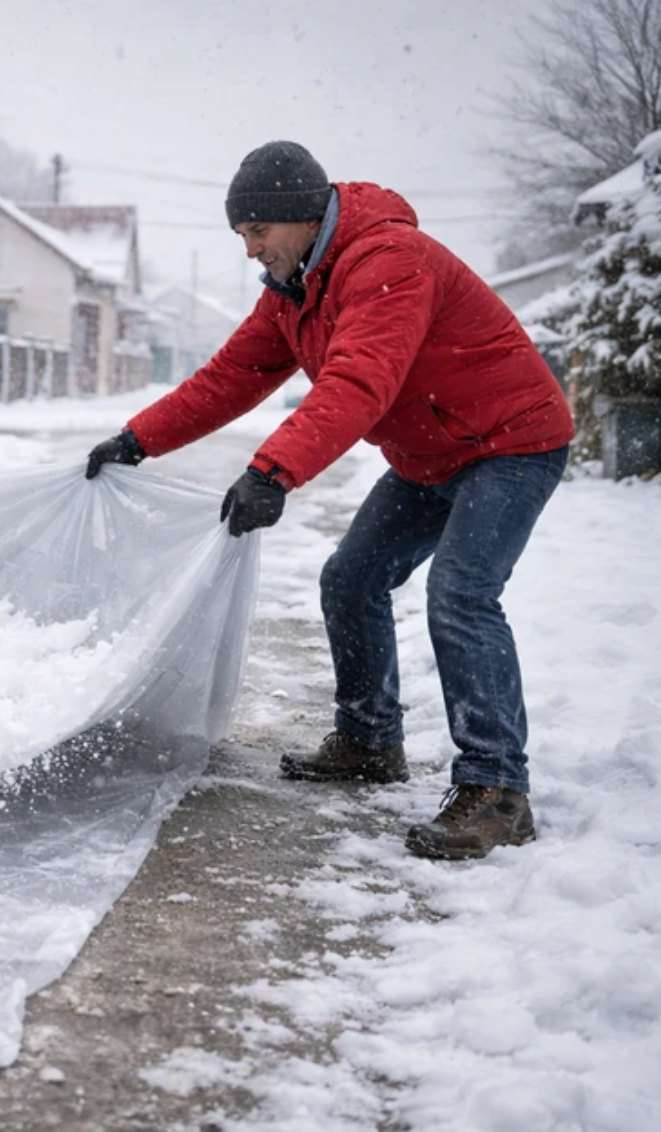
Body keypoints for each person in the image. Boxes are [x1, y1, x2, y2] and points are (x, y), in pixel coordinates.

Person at [85, 140, 574, 861]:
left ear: (303, 217)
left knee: (462, 595)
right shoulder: (293, 290)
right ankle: (370, 742)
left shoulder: (389, 263)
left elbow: (358, 381)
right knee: (350, 578)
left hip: (511, 444)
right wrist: (136, 440)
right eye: (242, 237)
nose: (251, 252)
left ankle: (498, 790)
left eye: (259, 233)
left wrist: (274, 470)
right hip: (430, 454)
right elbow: (229, 378)